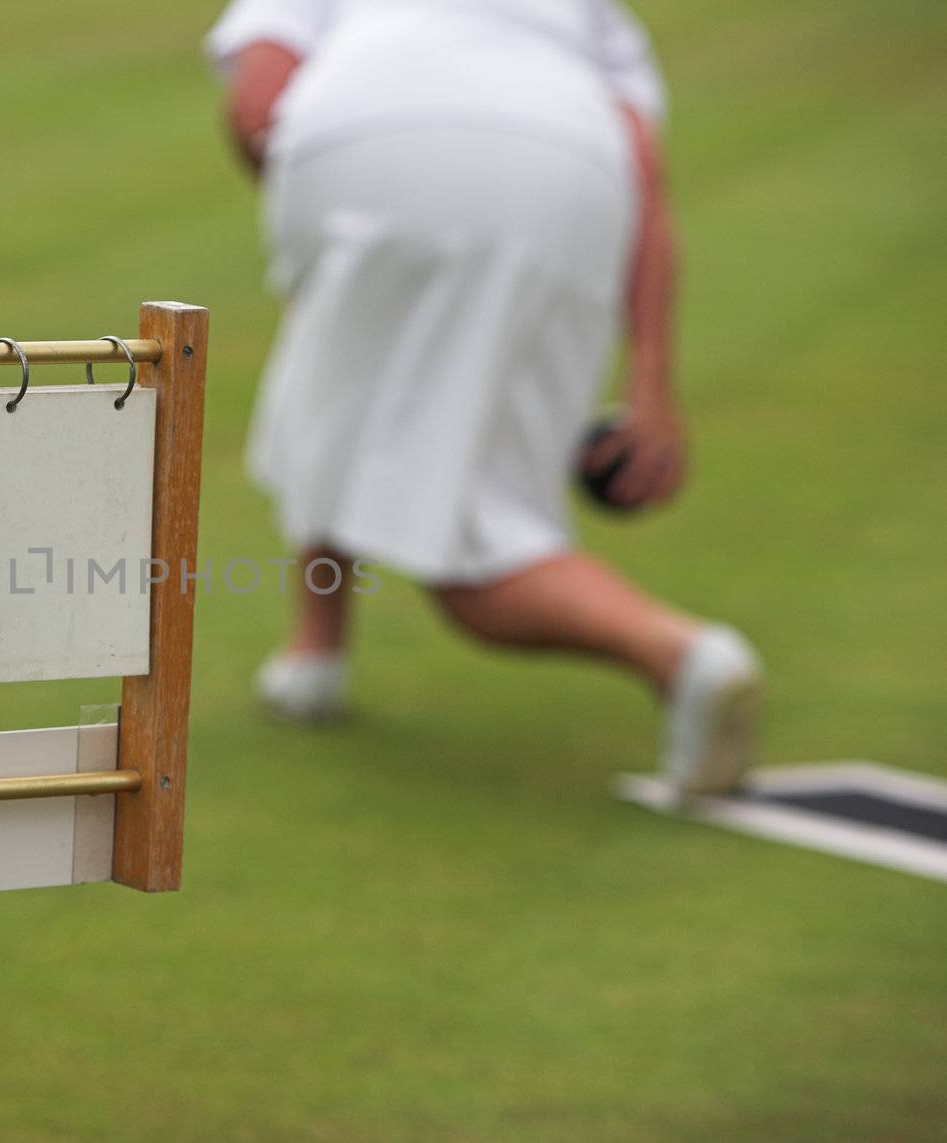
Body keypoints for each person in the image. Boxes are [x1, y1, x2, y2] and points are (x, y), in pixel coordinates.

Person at [208, 0, 762, 793]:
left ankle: (680, 654)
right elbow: (641, 167)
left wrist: (315, 204)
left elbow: (259, 96)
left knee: (464, 540)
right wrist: (649, 380)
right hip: (569, 168)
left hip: (351, 140)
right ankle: (315, 651)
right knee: (341, 385)